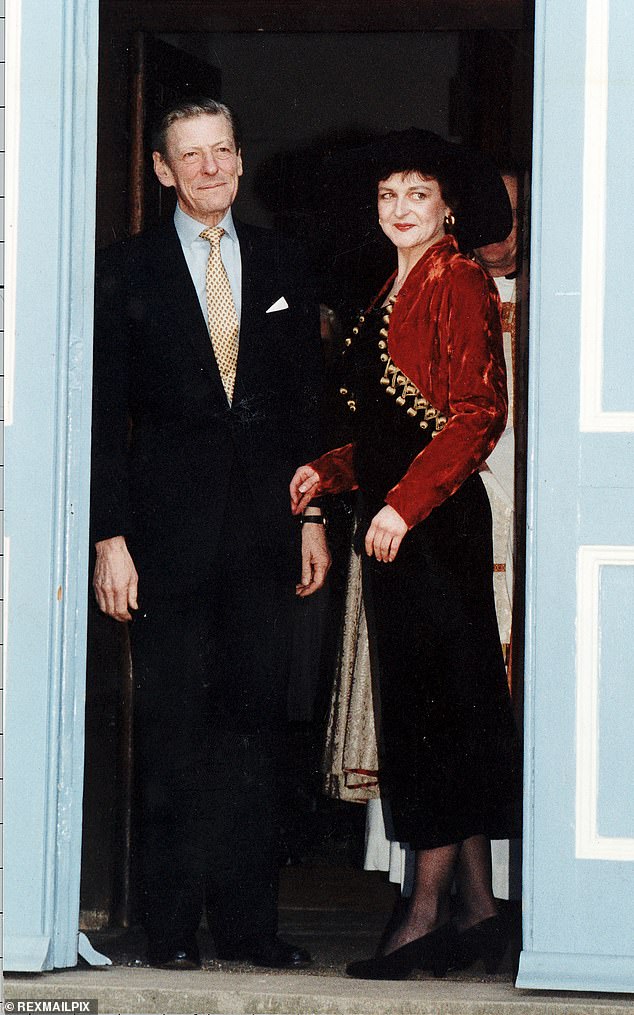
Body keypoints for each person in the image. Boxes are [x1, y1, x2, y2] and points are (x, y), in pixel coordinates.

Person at [91, 97, 330, 971]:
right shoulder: (126, 271)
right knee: (173, 730)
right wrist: (109, 538)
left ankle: (248, 926)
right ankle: (168, 928)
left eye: (223, 152)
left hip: (264, 539)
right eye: (191, 157)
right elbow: (103, 414)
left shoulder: (281, 262)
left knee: (252, 732)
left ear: (239, 157)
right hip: (164, 546)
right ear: (162, 170)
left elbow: (304, 400)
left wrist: (309, 515)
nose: (211, 169)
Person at [290, 129, 521, 980]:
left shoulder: (456, 277)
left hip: (434, 529)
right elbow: (387, 432)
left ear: (448, 206)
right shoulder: (393, 286)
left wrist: (402, 505)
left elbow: (475, 414)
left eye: (417, 194)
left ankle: (424, 919)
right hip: (402, 525)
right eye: (388, 195)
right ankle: (481, 915)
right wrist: (330, 469)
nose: (400, 209)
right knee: (441, 713)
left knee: (436, 719)